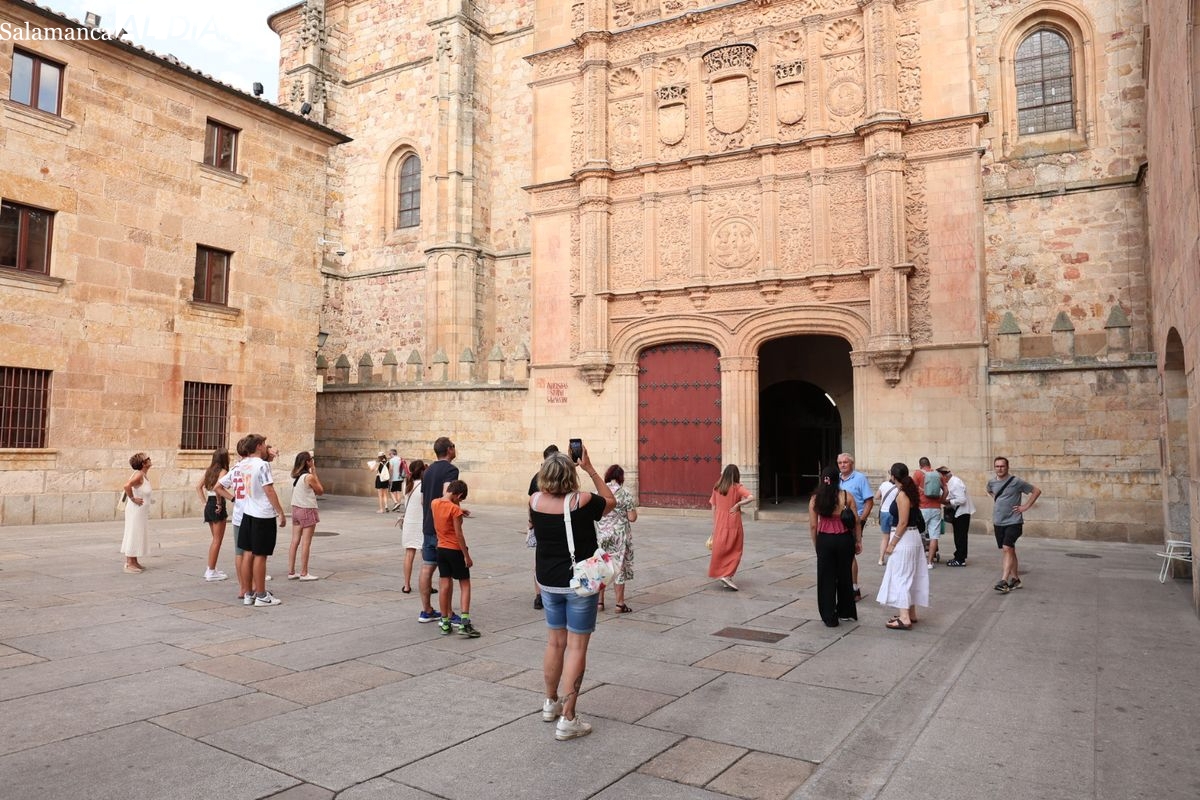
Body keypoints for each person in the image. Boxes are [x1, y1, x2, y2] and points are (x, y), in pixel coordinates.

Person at [530, 448, 615, 741]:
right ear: (570, 475)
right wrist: (590, 468)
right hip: (578, 583)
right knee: (576, 648)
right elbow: (611, 502)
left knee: (555, 642)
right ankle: (568, 718)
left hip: (548, 581)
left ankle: (550, 702)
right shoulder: (583, 500)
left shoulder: (534, 500)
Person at [876, 462, 930, 630]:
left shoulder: (902, 494)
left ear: (893, 476)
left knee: (901, 576)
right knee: (911, 575)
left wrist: (892, 544)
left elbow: (903, 522)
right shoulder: (910, 491)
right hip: (913, 537)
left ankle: (904, 617)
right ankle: (910, 613)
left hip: (904, 538)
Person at [234, 435, 286, 606]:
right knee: (260, 555)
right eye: (264, 444)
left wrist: (269, 452)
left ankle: (248, 593)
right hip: (263, 514)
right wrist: (280, 512)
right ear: (258, 446)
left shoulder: (243, 464)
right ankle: (262, 595)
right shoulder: (262, 465)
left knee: (247, 553)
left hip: (248, 512)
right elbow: (268, 489)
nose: (266, 447)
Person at [419, 437, 464, 625]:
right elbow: (448, 494)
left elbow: (423, 500)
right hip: (443, 529)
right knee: (446, 573)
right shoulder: (451, 470)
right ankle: (448, 613)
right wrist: (457, 512)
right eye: (453, 446)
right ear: (449, 450)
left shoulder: (428, 471)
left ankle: (426, 610)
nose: (455, 448)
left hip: (428, 525)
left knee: (427, 567)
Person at [809, 465, 862, 626]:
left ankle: (829, 615)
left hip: (825, 540)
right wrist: (858, 540)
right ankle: (846, 611)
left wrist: (816, 543)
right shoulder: (846, 496)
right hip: (844, 539)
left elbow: (813, 525)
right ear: (837, 479)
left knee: (826, 578)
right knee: (845, 575)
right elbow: (856, 521)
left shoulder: (815, 499)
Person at [431, 479, 481, 637]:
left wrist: (458, 508)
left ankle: (445, 622)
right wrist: (467, 556)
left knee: (444, 584)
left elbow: (446, 509)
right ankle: (464, 623)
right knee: (465, 584)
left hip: (441, 549)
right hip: (455, 549)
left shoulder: (434, 503)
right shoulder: (455, 509)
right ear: (458, 495)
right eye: (461, 498)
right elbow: (459, 535)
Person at [987, 457, 1040, 593]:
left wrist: (1025, 506)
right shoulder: (992, 482)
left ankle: (1004, 581)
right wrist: (998, 500)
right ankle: (1015, 579)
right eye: (997, 466)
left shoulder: (1016, 482)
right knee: (1009, 550)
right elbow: (989, 490)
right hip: (998, 521)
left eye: (1002, 466)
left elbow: (1036, 491)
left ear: (1007, 467)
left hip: (1014, 521)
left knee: (1007, 548)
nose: (1000, 469)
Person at [596, 464, 638, 614]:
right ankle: (619, 604)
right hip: (619, 537)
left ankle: (599, 602)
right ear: (621, 478)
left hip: (602, 536)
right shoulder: (625, 493)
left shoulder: (598, 493)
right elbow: (632, 517)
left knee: (602, 566)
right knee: (618, 567)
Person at [708, 464, 753, 591]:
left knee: (721, 548)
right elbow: (751, 497)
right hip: (733, 521)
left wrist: (715, 522)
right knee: (736, 549)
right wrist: (738, 504)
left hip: (720, 521)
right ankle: (727, 575)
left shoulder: (717, 487)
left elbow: (713, 506)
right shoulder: (737, 487)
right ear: (736, 475)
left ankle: (723, 574)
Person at [837, 453, 873, 600]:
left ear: (851, 463)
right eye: (840, 462)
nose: (842, 465)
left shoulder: (860, 478)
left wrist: (861, 520)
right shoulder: (836, 479)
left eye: (845, 462)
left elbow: (869, 501)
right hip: (838, 522)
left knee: (850, 554)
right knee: (840, 554)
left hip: (853, 522)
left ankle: (854, 588)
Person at [528, 444, 559, 610]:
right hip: (557, 522)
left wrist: (531, 521)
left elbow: (531, 501)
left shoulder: (537, 477)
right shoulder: (560, 476)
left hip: (540, 522)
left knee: (540, 558)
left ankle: (539, 595)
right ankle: (547, 593)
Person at [287, 451, 324, 580]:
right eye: (311, 459)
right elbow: (320, 491)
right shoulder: (309, 477)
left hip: (296, 509)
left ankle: (291, 572)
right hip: (307, 509)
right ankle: (304, 572)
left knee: (294, 541)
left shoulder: (297, 477)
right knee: (306, 543)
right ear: (308, 462)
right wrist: (314, 472)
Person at [196, 449, 230, 581]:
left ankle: (212, 568)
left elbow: (198, 487)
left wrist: (204, 503)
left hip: (209, 504)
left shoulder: (209, 471)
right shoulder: (223, 471)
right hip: (217, 504)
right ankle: (210, 570)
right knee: (217, 540)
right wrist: (219, 503)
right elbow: (218, 489)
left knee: (215, 539)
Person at [396, 459, 426, 593]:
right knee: (425, 557)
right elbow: (423, 502)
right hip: (421, 522)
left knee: (409, 554)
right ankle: (426, 584)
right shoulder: (424, 485)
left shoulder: (407, 484)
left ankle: (406, 585)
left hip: (409, 522)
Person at [120, 452, 153, 573]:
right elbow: (126, 486)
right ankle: (129, 563)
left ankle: (134, 561)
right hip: (135, 510)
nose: (150, 459)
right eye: (147, 458)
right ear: (143, 463)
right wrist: (133, 498)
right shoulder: (139, 475)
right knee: (133, 533)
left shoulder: (143, 475)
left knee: (137, 533)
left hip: (140, 511)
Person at [939, 466, 976, 567]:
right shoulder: (949, 483)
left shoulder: (955, 482)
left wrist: (948, 501)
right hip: (957, 513)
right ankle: (958, 556)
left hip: (962, 513)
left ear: (944, 476)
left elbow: (962, 499)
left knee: (961, 537)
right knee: (958, 536)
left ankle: (960, 559)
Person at [914, 456, 947, 568]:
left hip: (922, 508)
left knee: (920, 534)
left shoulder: (918, 474)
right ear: (929, 464)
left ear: (920, 465)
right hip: (936, 508)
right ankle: (929, 562)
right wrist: (941, 500)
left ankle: (920, 560)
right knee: (934, 536)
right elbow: (946, 490)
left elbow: (912, 489)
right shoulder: (938, 474)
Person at [875, 474, 900, 566]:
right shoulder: (898, 488)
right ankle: (893, 559)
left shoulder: (884, 484)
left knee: (885, 537)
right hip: (894, 513)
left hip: (884, 513)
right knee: (894, 536)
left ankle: (881, 558)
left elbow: (877, 496)